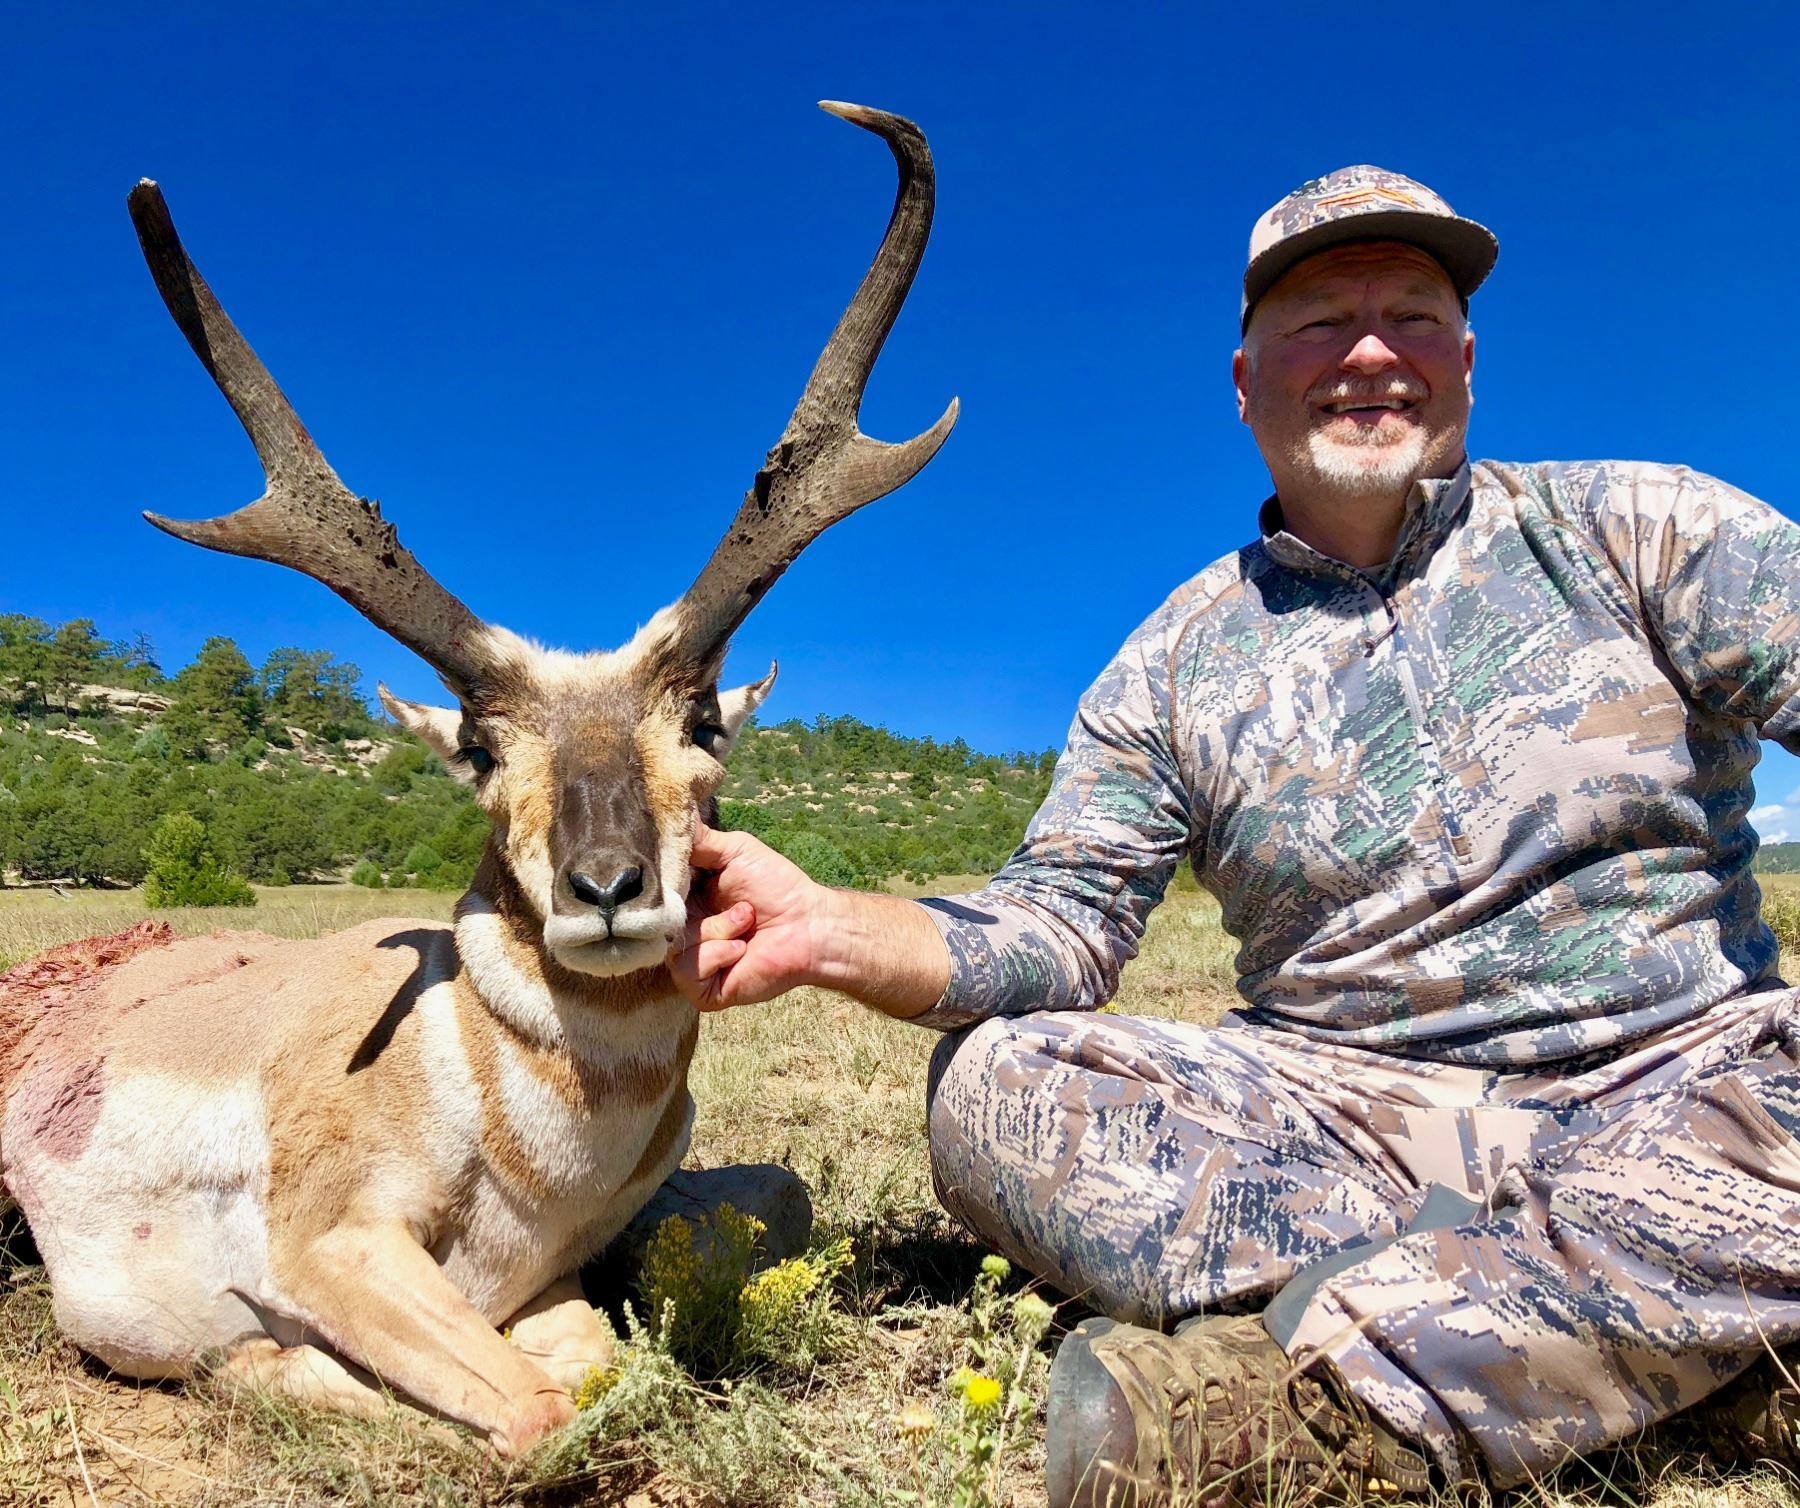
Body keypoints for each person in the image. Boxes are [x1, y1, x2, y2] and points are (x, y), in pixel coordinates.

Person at [671, 166, 1800, 1505]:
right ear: (1246, 382)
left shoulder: (1644, 530)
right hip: (1351, 1126)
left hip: (1694, 1085)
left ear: (1467, 361)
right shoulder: (1171, 662)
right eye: (1321, 323)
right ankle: (1667, 1332)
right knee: (997, 1088)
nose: (1371, 353)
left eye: (1414, 316)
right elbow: (1060, 923)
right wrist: (824, 928)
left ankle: (1325, 1403)